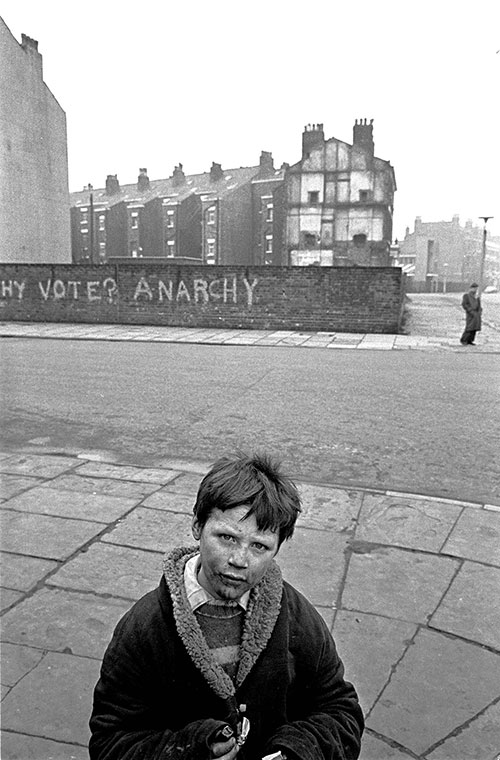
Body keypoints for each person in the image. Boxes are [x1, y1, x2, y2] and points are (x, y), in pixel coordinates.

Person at [89, 452, 364, 760]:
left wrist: (295, 752)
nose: (240, 560)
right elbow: (111, 741)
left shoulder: (296, 617)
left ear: (277, 548)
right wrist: (189, 751)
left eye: (259, 546)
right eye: (227, 538)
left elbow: (341, 711)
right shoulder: (145, 627)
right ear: (197, 526)